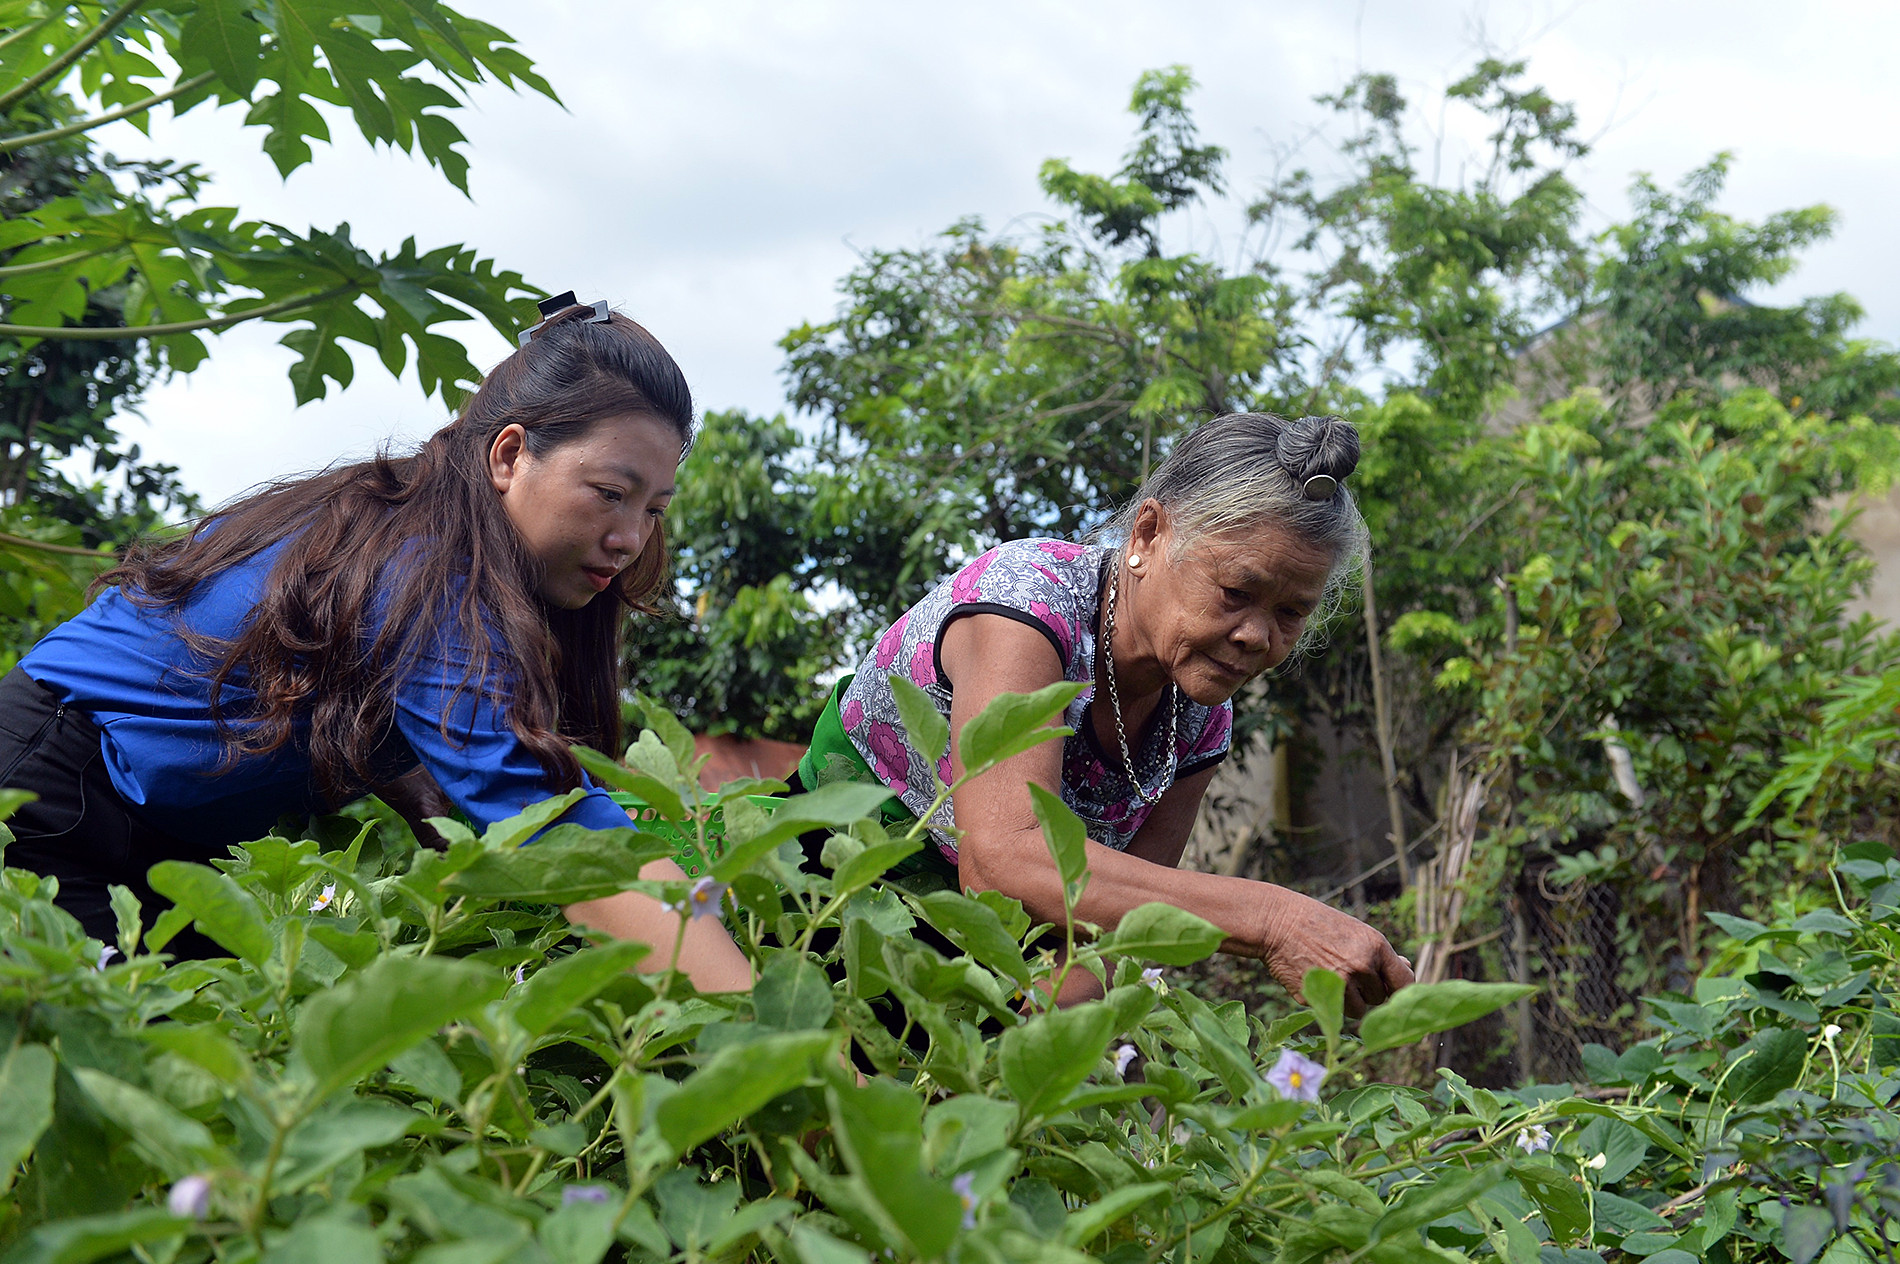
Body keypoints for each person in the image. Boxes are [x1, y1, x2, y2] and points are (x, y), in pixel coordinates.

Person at [0, 295, 752, 991]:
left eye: (653, 509)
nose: (629, 538)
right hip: (46, 794)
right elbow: (557, 829)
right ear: (509, 455)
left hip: (152, 837)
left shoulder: (421, 537)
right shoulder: (430, 573)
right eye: (610, 493)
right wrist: (785, 1055)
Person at [794, 411, 1413, 1014]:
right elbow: (1002, 861)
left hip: (973, 981)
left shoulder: (1197, 718)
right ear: (1146, 535)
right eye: (1236, 593)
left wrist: (1034, 1050)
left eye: (1290, 613)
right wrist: (1273, 918)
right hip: (820, 912)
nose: (1256, 635)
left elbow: (1116, 938)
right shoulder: (1026, 606)